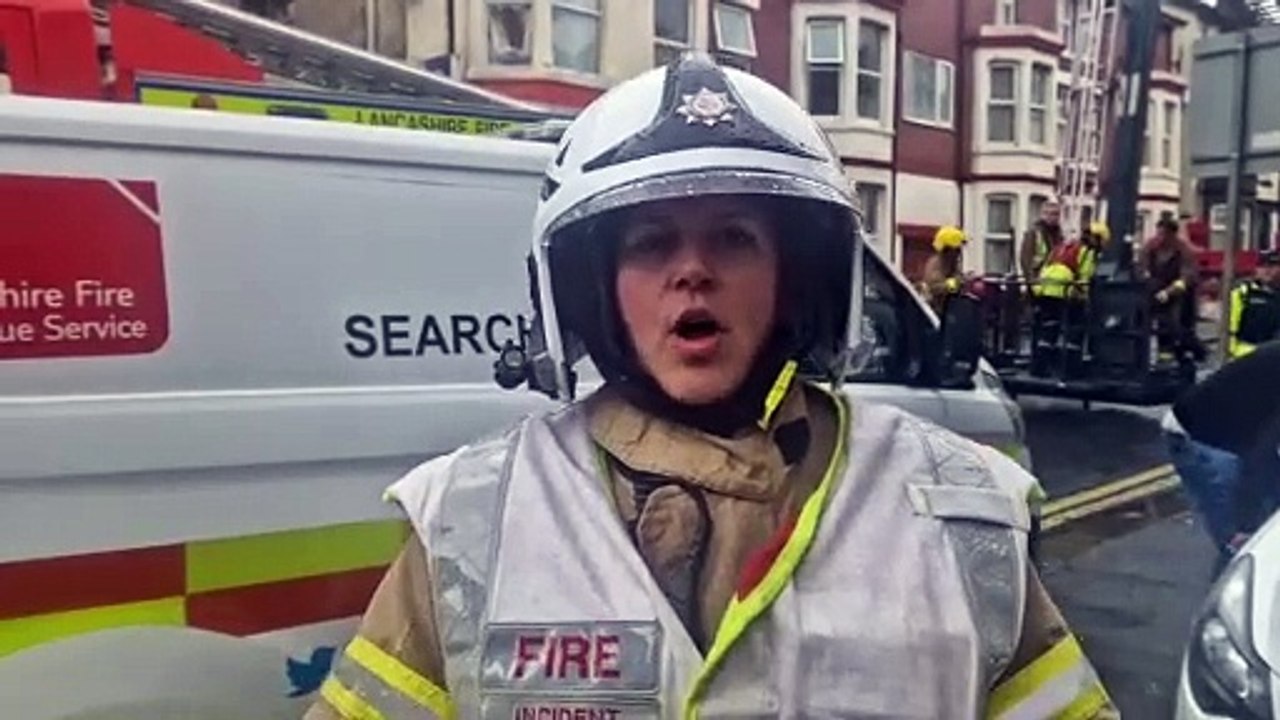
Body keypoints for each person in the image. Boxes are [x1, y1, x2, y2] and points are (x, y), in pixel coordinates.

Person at [307, 53, 1113, 719]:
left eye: (733, 238)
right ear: (593, 289)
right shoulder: (473, 516)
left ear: (794, 279)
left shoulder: (958, 508)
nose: (692, 272)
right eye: (652, 242)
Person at [1164, 341, 1280, 570]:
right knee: (1246, 549)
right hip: (1200, 439)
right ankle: (1228, 598)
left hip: (1232, 433)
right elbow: (1261, 456)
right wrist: (1246, 524)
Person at [1030, 222, 1112, 377]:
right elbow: (1085, 274)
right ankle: (1070, 369)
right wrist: (1085, 296)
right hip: (1065, 290)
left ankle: (1039, 368)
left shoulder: (1064, 246)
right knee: (1074, 331)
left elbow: (1046, 264)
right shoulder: (1087, 251)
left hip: (1046, 288)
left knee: (1048, 330)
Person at [1138, 212, 1200, 361]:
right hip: (1156, 288)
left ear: (1173, 235)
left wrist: (1169, 292)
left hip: (1181, 293)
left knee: (1176, 323)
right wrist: (1147, 281)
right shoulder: (1150, 247)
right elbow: (1142, 267)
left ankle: (1187, 350)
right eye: (1159, 233)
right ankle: (1152, 353)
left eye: (1164, 234)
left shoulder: (1184, 250)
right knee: (1145, 316)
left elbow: (1187, 277)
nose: (1160, 238)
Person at [1228, 249, 1280, 359]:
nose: (1266, 271)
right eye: (1262, 266)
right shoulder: (1243, 293)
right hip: (1245, 356)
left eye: (1272, 266)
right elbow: (1230, 328)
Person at [920, 225, 967, 314]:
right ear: (947, 249)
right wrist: (955, 283)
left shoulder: (952, 265)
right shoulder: (935, 264)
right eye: (956, 249)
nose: (959, 253)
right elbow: (935, 287)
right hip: (934, 312)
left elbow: (957, 278)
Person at [1019, 198, 1064, 281]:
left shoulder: (1060, 235)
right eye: (1047, 213)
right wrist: (1031, 280)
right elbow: (1025, 259)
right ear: (1042, 214)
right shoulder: (1033, 233)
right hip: (1038, 278)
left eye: (1055, 214)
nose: (1051, 217)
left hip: (1054, 278)